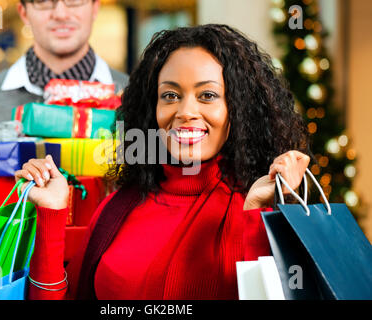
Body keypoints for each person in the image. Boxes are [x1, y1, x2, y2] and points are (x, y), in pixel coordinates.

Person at [16, 24, 311, 300]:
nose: (185, 111)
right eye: (170, 95)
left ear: (239, 108)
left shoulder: (256, 207)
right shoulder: (119, 206)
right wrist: (52, 213)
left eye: (207, 95)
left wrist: (255, 210)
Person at [0, 0, 129, 268]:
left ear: (95, 7)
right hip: (11, 277)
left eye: (74, 0)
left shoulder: (134, 97)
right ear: (23, 12)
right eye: (43, 2)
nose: (61, 13)